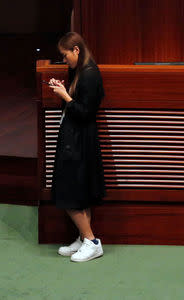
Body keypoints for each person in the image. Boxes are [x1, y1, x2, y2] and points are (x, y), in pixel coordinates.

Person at [49, 32, 105, 262]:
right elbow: (76, 102)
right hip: (73, 138)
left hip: (81, 140)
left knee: (70, 192)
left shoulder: (91, 75)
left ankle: (92, 242)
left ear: (76, 51)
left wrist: (66, 97)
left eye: (65, 56)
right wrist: (64, 91)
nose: (64, 61)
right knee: (79, 192)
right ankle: (84, 238)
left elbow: (86, 113)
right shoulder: (78, 70)